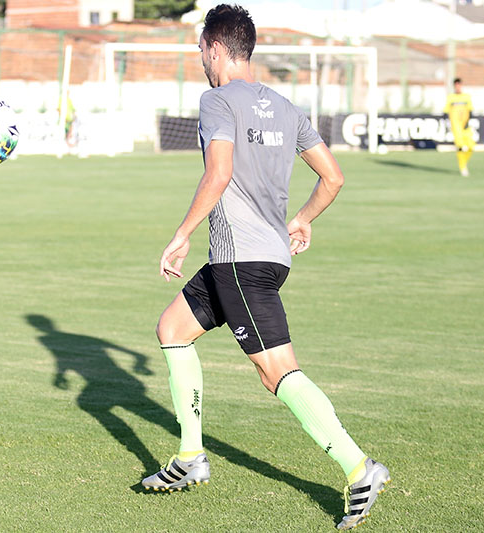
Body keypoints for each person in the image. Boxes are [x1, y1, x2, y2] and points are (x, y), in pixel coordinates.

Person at [140, 4, 389, 530]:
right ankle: (190, 458)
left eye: (200, 49)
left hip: (238, 262)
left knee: (275, 371)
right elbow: (334, 177)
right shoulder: (285, 105)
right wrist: (302, 219)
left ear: (214, 48)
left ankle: (359, 467)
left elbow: (220, 170)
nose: (199, 59)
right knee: (172, 329)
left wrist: (181, 234)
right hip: (265, 257)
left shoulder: (215, 100)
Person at [444, 77, 476, 176]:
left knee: (471, 147)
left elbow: (471, 110)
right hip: (456, 128)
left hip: (466, 127)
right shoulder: (451, 97)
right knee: (461, 147)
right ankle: (463, 167)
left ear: (461, 85)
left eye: (459, 85)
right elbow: (445, 112)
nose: (457, 87)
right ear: (454, 86)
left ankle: (464, 163)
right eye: (456, 85)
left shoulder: (466, 97)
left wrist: (468, 121)